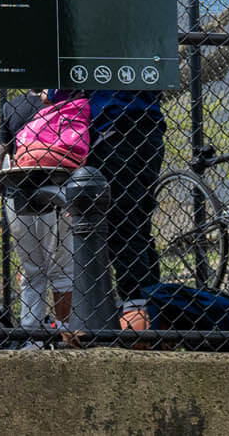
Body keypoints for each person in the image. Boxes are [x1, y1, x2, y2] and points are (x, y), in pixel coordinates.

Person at [0, 89, 77, 330]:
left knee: (60, 267)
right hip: (19, 193)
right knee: (33, 269)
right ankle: (32, 335)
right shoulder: (12, 105)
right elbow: (1, 154)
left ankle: (63, 332)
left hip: (56, 189)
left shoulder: (68, 96)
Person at [85, 89, 164, 299]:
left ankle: (136, 305)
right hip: (151, 130)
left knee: (123, 225)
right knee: (140, 224)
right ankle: (152, 302)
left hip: (112, 130)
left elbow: (57, 93)